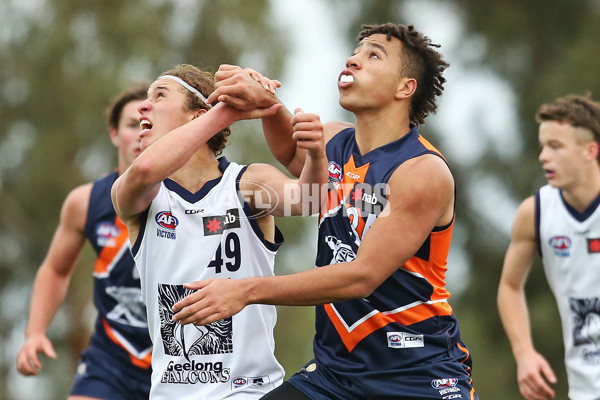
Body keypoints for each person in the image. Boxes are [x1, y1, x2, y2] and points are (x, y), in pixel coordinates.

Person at [171, 23, 480, 400]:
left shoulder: (422, 171)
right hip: (334, 377)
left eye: (374, 55)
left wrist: (245, 291)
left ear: (405, 88)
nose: (354, 58)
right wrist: (267, 103)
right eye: (357, 50)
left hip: (415, 377)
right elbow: (293, 155)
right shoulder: (336, 138)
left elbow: (361, 277)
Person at [110, 64, 327, 399]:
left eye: (160, 95)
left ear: (197, 115)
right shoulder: (138, 193)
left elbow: (309, 200)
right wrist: (230, 109)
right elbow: (147, 169)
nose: (143, 105)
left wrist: (315, 153)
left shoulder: (247, 182)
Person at [16, 84, 153, 400]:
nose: (140, 134)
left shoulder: (191, 198)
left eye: (149, 125)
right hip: (111, 360)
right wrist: (34, 333)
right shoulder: (86, 202)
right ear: (114, 133)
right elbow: (55, 270)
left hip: (181, 362)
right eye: (132, 125)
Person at [497, 94, 600, 400]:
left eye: (555, 146)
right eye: (543, 146)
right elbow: (509, 286)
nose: (543, 157)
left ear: (590, 151)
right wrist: (524, 353)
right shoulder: (536, 212)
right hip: (585, 388)